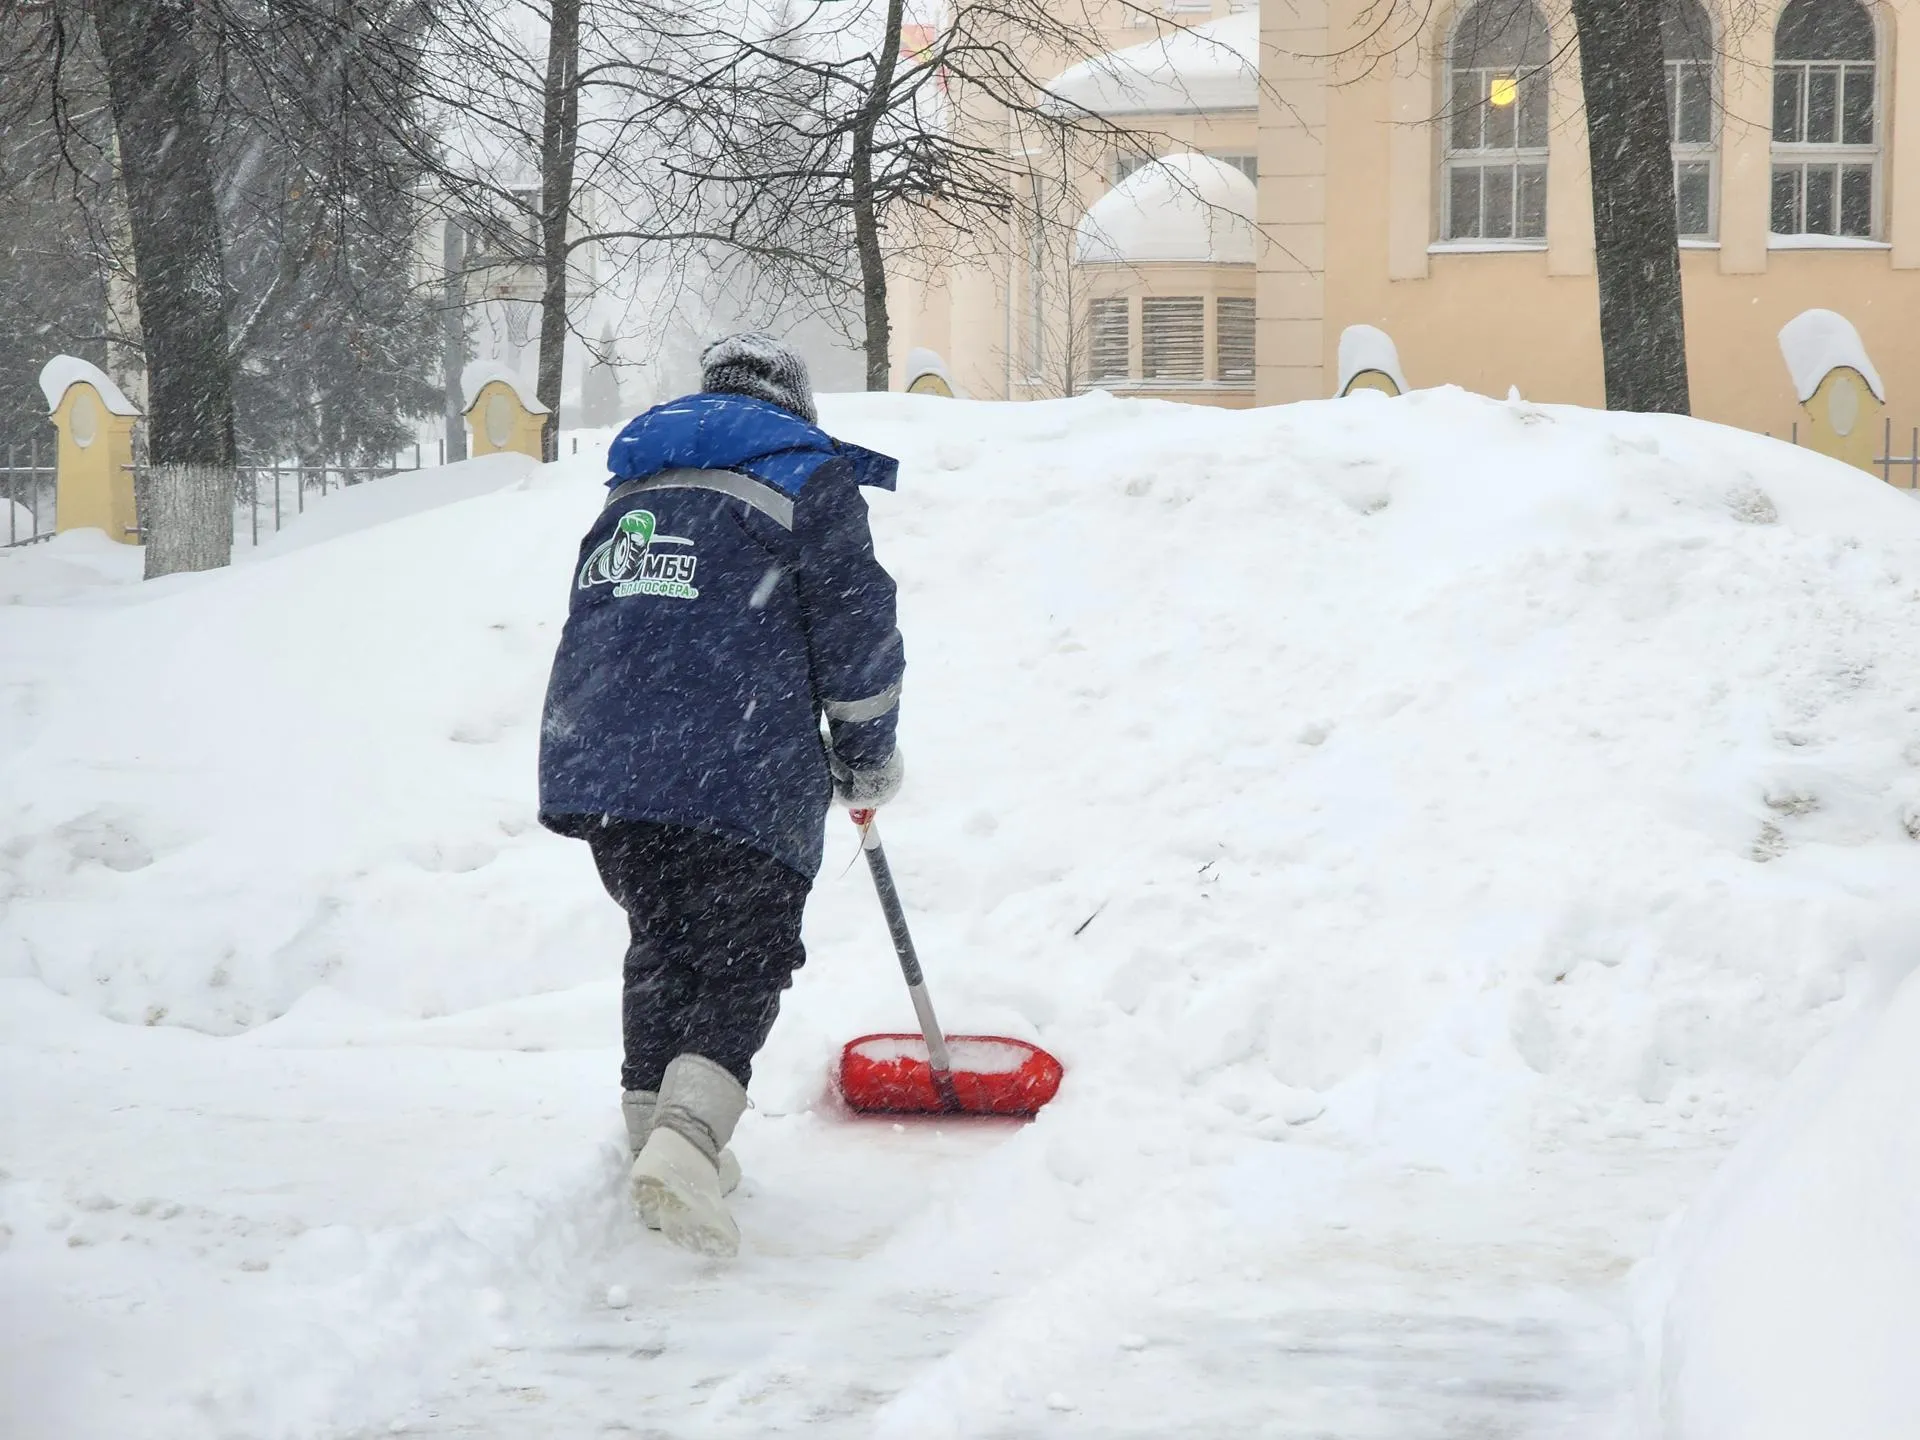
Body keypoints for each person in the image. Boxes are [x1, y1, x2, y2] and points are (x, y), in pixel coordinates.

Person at [538, 334, 905, 1258]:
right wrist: (865, 757)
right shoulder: (804, 475)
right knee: (747, 952)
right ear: (796, 404)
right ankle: (686, 1145)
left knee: (663, 939)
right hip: (734, 758)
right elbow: (856, 631)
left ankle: (652, 1134)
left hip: (606, 761)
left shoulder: (639, 481)